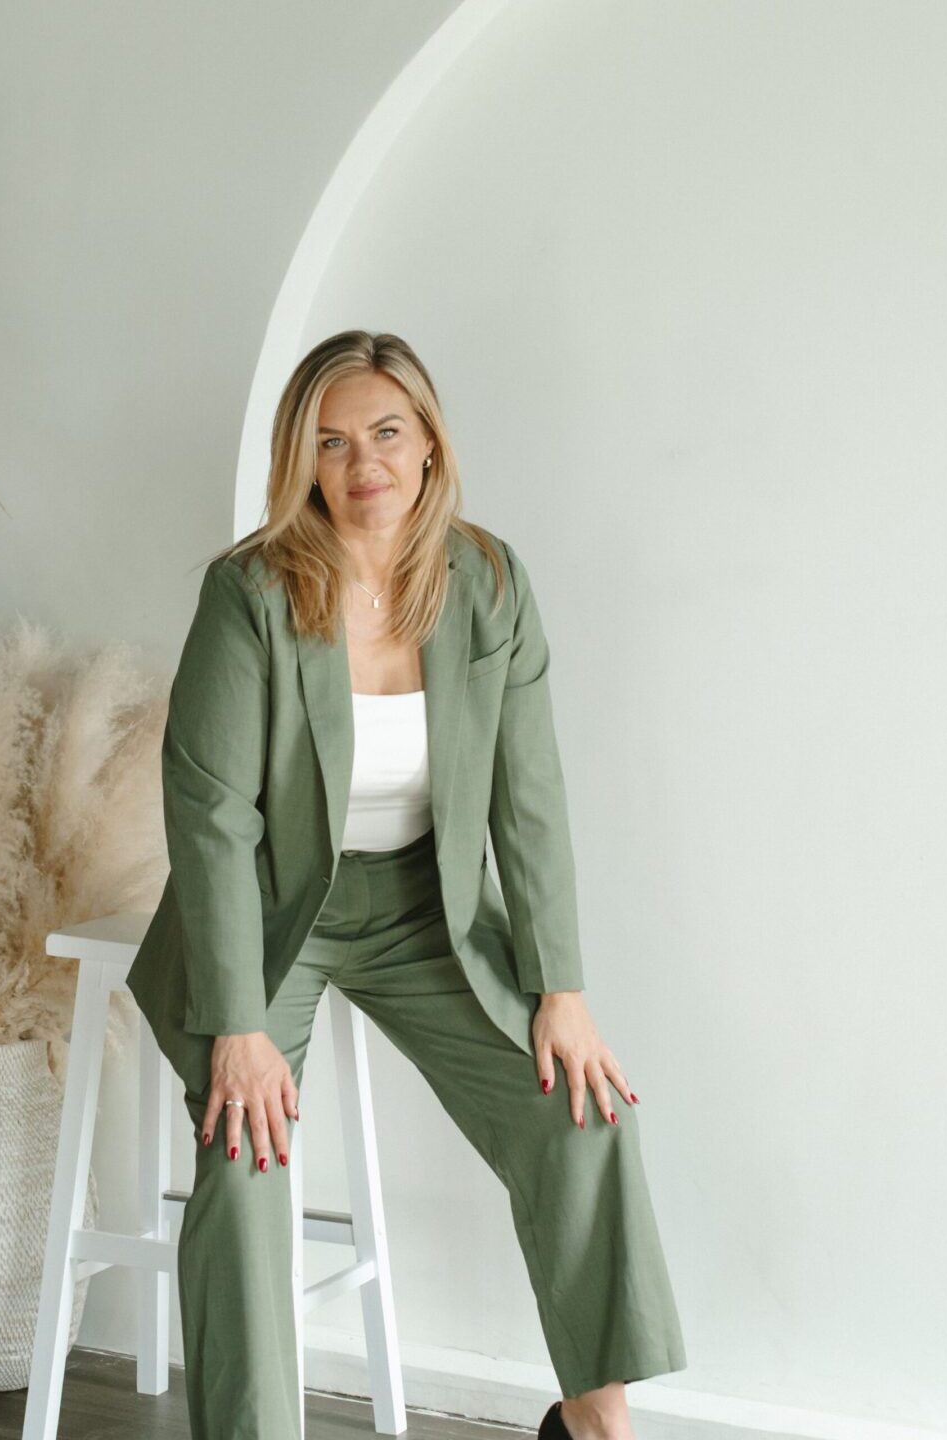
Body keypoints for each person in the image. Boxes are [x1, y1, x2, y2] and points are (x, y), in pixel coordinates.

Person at [125, 330, 686, 1439]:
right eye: (331, 442)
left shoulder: (488, 584)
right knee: (243, 1155)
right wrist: (236, 1020)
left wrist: (559, 990)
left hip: (425, 911)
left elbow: (531, 799)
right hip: (270, 916)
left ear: (429, 443)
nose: (361, 462)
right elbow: (211, 814)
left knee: (583, 1116)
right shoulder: (251, 593)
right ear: (303, 460)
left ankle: (594, 1425)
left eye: (385, 431)